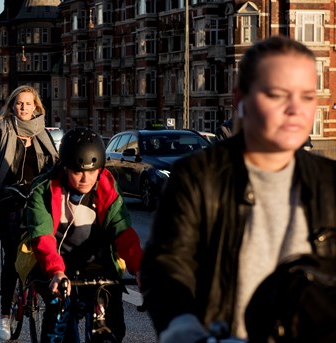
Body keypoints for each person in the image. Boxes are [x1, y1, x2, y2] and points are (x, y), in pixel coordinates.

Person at [139, 36, 336, 342]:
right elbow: (168, 267)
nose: (296, 109)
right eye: (277, 95)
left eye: (307, 96)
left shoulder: (329, 182)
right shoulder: (197, 176)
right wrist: (183, 327)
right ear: (240, 99)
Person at [25, 127, 143, 342]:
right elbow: (42, 237)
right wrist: (57, 272)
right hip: (58, 266)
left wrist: (140, 268)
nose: (85, 179)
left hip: (98, 265)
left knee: (110, 329)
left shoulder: (107, 188)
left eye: (92, 171)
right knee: (59, 330)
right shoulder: (42, 191)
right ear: (65, 167)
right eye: (78, 172)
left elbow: (123, 231)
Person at [0, 85, 59, 340]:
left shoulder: (42, 133)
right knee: (13, 257)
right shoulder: (2, 129)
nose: (23, 107)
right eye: (19, 103)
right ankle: (4, 316)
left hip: (37, 199)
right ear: (13, 105)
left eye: (28, 103)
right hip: (8, 198)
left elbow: (54, 167)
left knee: (45, 249)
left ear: (36, 106)